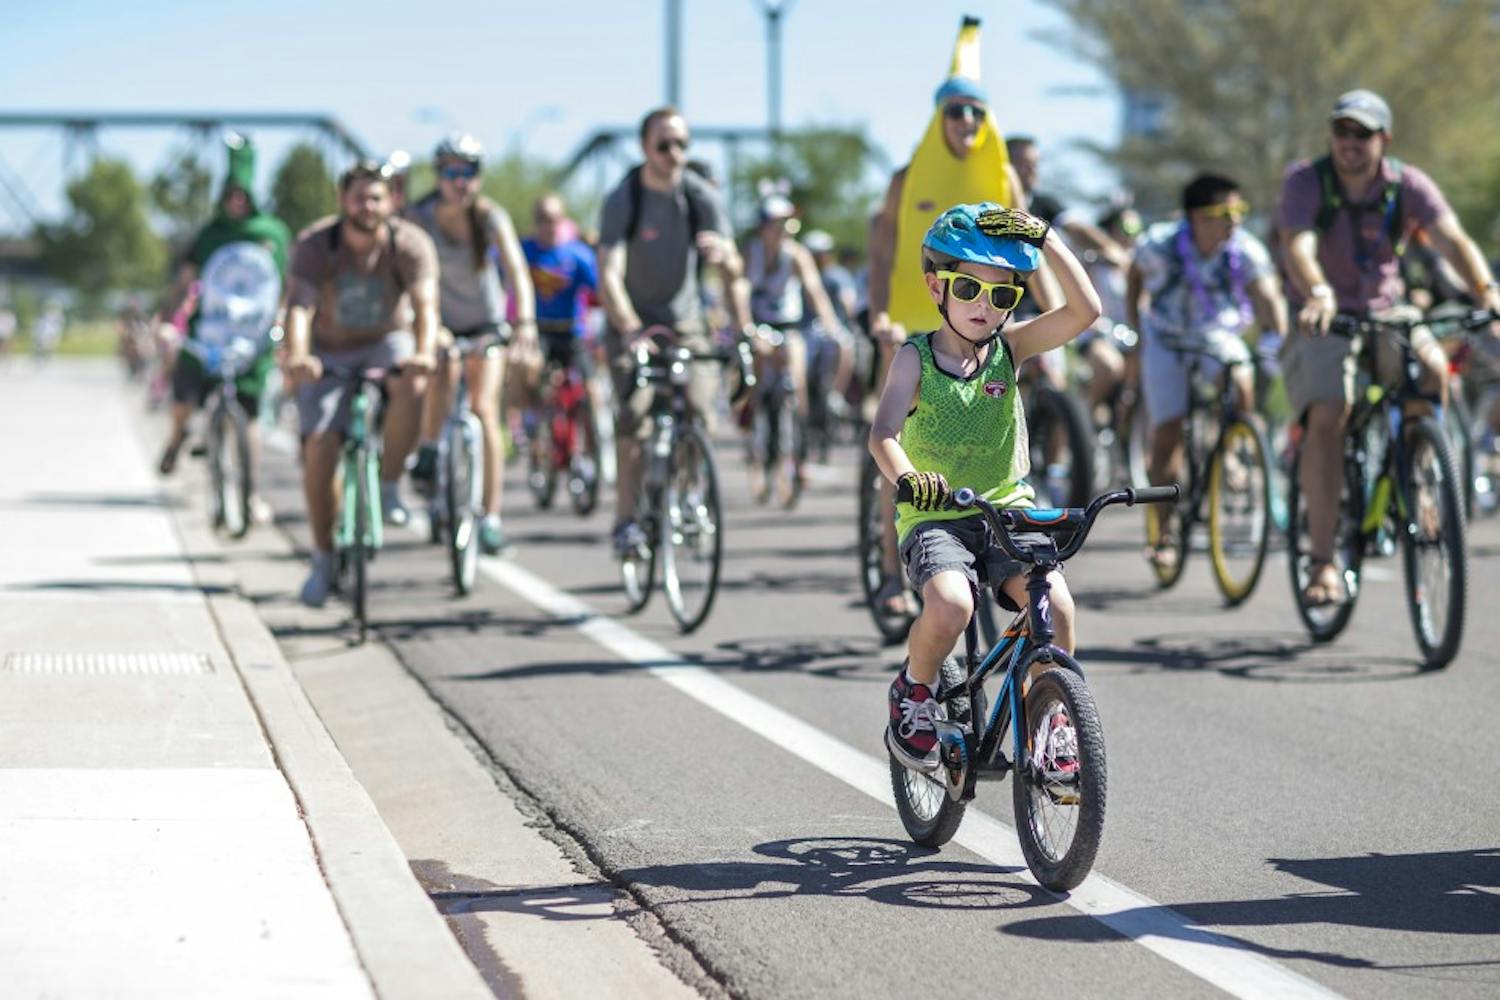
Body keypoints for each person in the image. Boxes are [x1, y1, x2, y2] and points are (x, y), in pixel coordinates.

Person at [870, 202, 1100, 772]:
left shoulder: (1009, 350)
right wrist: (909, 479)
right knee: (951, 604)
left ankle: (1050, 721)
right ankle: (914, 690)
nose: (984, 306)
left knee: (1057, 607)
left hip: (1005, 509)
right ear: (935, 287)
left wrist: (1046, 239)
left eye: (1002, 296)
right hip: (937, 516)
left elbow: (1085, 310)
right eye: (969, 288)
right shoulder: (914, 359)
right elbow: (883, 434)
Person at [1278, 89, 1500, 605]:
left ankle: (1421, 479)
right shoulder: (1306, 181)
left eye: (1362, 134)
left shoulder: (1407, 184)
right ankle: (1324, 561)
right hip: (1323, 314)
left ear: (1384, 139)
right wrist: (1318, 289)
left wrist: (1487, 292)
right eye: (1342, 132)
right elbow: (1299, 245)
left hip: (1386, 311)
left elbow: (1451, 239)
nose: (1350, 143)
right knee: (1330, 412)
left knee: (1432, 368)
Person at [596, 106, 752, 555]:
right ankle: (626, 521)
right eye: (664, 145)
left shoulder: (698, 194)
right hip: (633, 320)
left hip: (685, 320)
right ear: (645, 148)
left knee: (701, 410)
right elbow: (609, 271)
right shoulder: (626, 197)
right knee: (635, 416)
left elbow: (734, 270)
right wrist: (628, 328)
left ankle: (686, 489)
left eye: (682, 144)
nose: (674, 153)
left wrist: (726, 257)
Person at [283, 160, 439, 607]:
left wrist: (424, 353)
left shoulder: (408, 244)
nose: (367, 207)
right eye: (358, 197)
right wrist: (298, 354)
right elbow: (300, 308)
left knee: (410, 380)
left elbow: (425, 307)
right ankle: (323, 557)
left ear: (391, 202)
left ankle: (390, 484)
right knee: (320, 447)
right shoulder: (317, 244)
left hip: (385, 342)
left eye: (376, 197)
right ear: (342, 200)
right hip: (328, 351)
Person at [1127, 174, 1288, 570]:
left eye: (1239, 212)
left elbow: (1267, 295)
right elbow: (1134, 276)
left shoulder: (1244, 249)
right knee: (1167, 434)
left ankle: (1233, 448)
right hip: (1165, 337)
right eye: (1224, 213)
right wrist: (1136, 332)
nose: (1234, 221)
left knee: (1241, 376)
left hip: (1215, 333)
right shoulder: (1159, 244)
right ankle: (1164, 533)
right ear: (1196, 217)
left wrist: (1277, 335)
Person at [407, 133, 536, 555]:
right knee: (440, 378)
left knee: (483, 409)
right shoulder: (420, 216)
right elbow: (405, 274)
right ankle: (428, 451)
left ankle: (492, 518)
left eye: (468, 173)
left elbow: (517, 269)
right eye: (450, 173)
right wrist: (425, 327)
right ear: (438, 175)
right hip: (440, 320)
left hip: (486, 321)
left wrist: (525, 323)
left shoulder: (490, 216)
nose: (459, 182)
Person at [155, 136, 291, 531]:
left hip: (253, 338)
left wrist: (286, 326)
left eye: (242, 195)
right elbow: (185, 282)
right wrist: (170, 319)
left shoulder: (273, 233)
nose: (236, 202)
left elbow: (286, 285)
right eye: (230, 194)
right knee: (183, 397)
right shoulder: (209, 234)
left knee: (247, 414)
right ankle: (177, 435)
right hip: (208, 336)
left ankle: (248, 495)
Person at [743, 192, 845, 502]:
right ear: (763, 226)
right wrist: (746, 328)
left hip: (789, 327)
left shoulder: (797, 255)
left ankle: (799, 449)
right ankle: (755, 442)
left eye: (786, 223)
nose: (781, 229)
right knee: (757, 378)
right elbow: (740, 290)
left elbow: (815, 291)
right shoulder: (753, 252)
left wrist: (833, 327)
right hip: (759, 326)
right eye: (775, 223)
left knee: (797, 378)